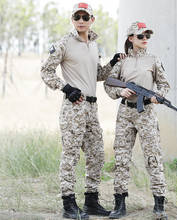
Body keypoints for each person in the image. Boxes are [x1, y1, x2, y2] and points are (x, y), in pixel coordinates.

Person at [41, 2, 124, 219]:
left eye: (85, 17)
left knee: (96, 153)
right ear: (72, 19)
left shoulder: (95, 45)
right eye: (77, 16)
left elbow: (97, 74)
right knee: (70, 155)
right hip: (74, 107)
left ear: (92, 20)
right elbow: (46, 71)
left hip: (92, 108)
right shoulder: (64, 43)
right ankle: (69, 204)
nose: (80, 20)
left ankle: (91, 201)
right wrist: (65, 88)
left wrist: (113, 62)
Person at [104, 21, 170, 220]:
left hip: (146, 114)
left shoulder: (153, 60)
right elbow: (108, 84)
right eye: (140, 36)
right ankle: (119, 203)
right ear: (131, 38)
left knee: (153, 157)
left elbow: (164, 85)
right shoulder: (121, 61)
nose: (145, 40)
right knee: (121, 158)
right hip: (125, 113)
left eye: (147, 36)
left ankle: (159, 204)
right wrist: (120, 91)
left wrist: (156, 96)